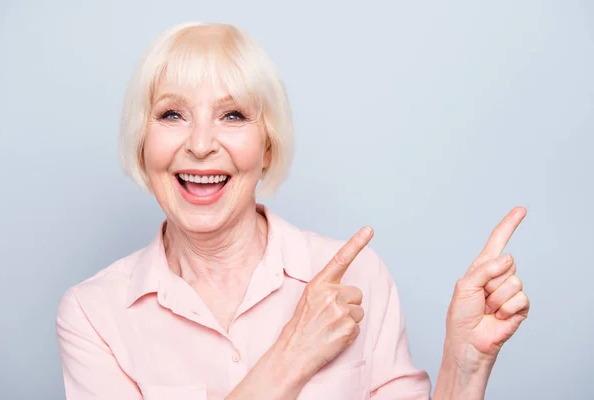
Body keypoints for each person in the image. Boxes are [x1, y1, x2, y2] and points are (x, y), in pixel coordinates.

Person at [56, 22, 530, 400]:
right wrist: (293, 354)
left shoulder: (359, 277)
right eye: (172, 115)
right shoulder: (92, 315)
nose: (200, 146)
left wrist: (464, 367)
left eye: (233, 115)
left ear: (267, 148)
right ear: (142, 145)